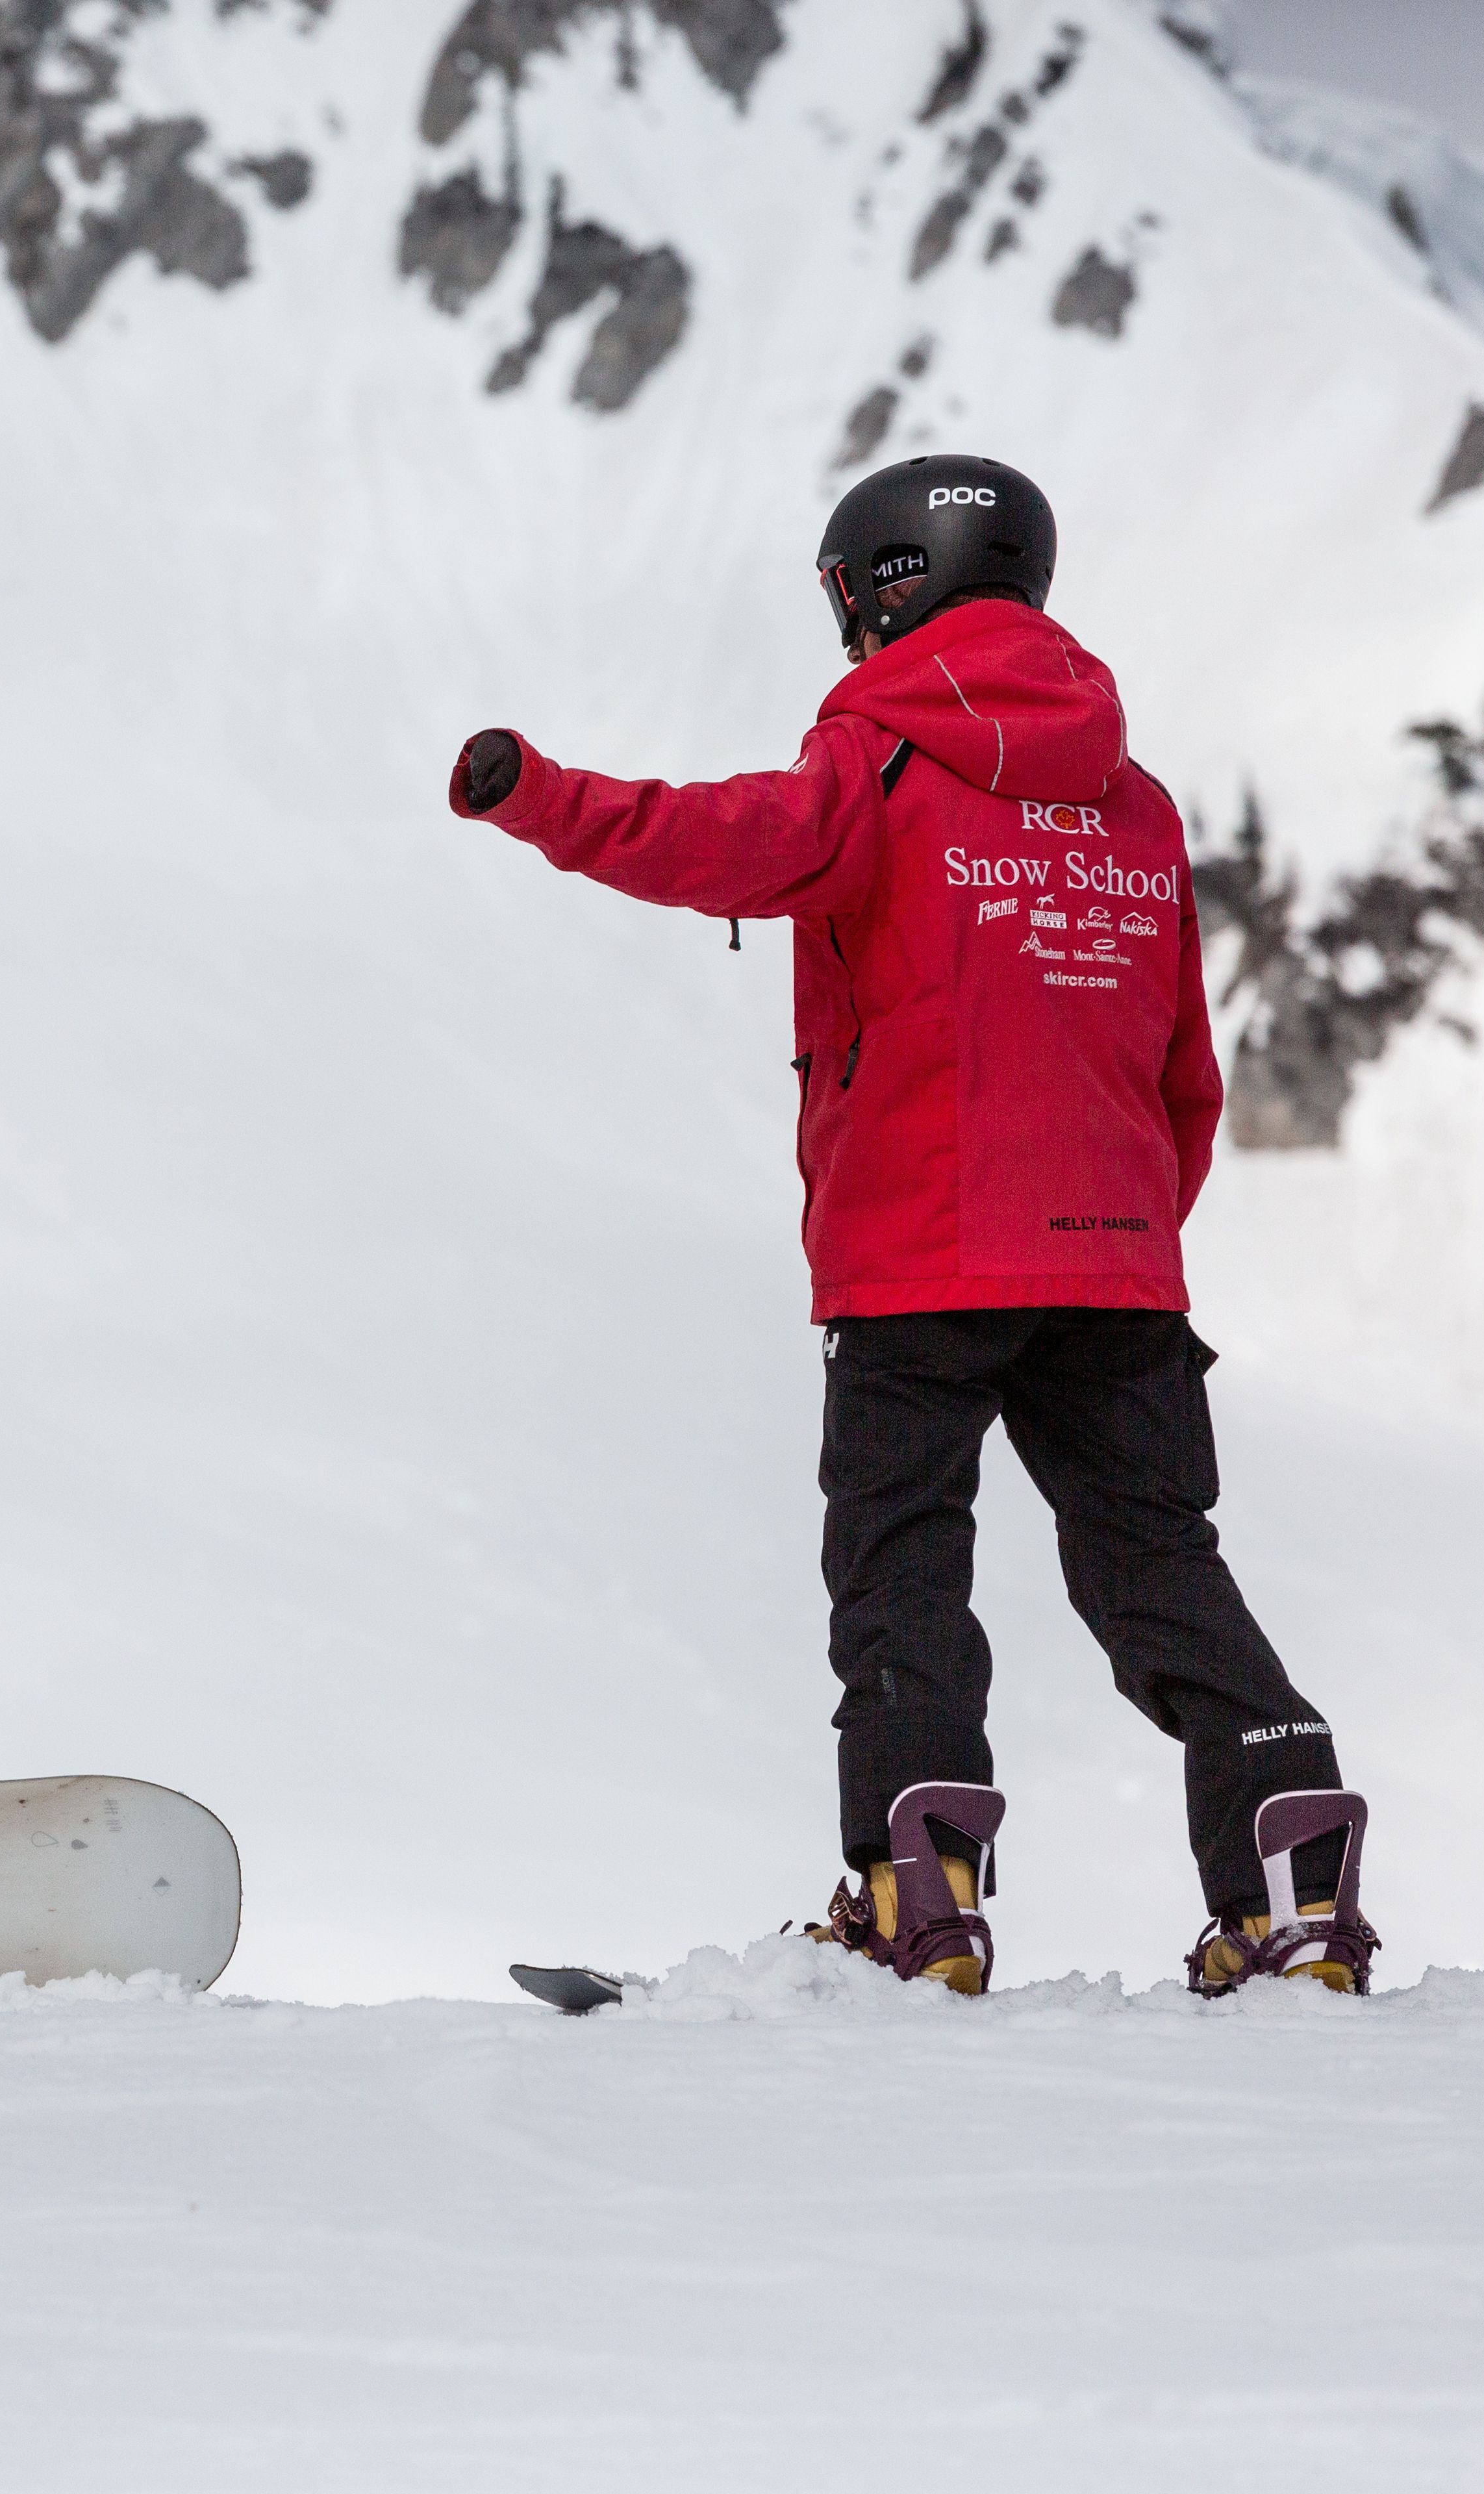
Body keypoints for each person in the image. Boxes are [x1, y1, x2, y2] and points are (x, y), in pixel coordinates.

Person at [440, 452, 1375, 1998]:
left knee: (897, 1569)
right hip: (1116, 1266)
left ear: (886, 582)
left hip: (917, 1257)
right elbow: (1181, 1073)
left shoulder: (875, 764)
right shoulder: (1132, 807)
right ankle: (1291, 1886)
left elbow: (711, 837)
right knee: (1157, 1566)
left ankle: (913, 1892)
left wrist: (533, 796)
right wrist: (1112, 1236)